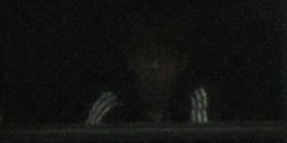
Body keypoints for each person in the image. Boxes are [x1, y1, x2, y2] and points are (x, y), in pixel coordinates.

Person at [84, 19, 214, 124]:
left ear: (181, 63)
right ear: (132, 62)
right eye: (147, 57)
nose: (154, 67)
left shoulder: (195, 99)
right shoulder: (110, 105)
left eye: (163, 58)